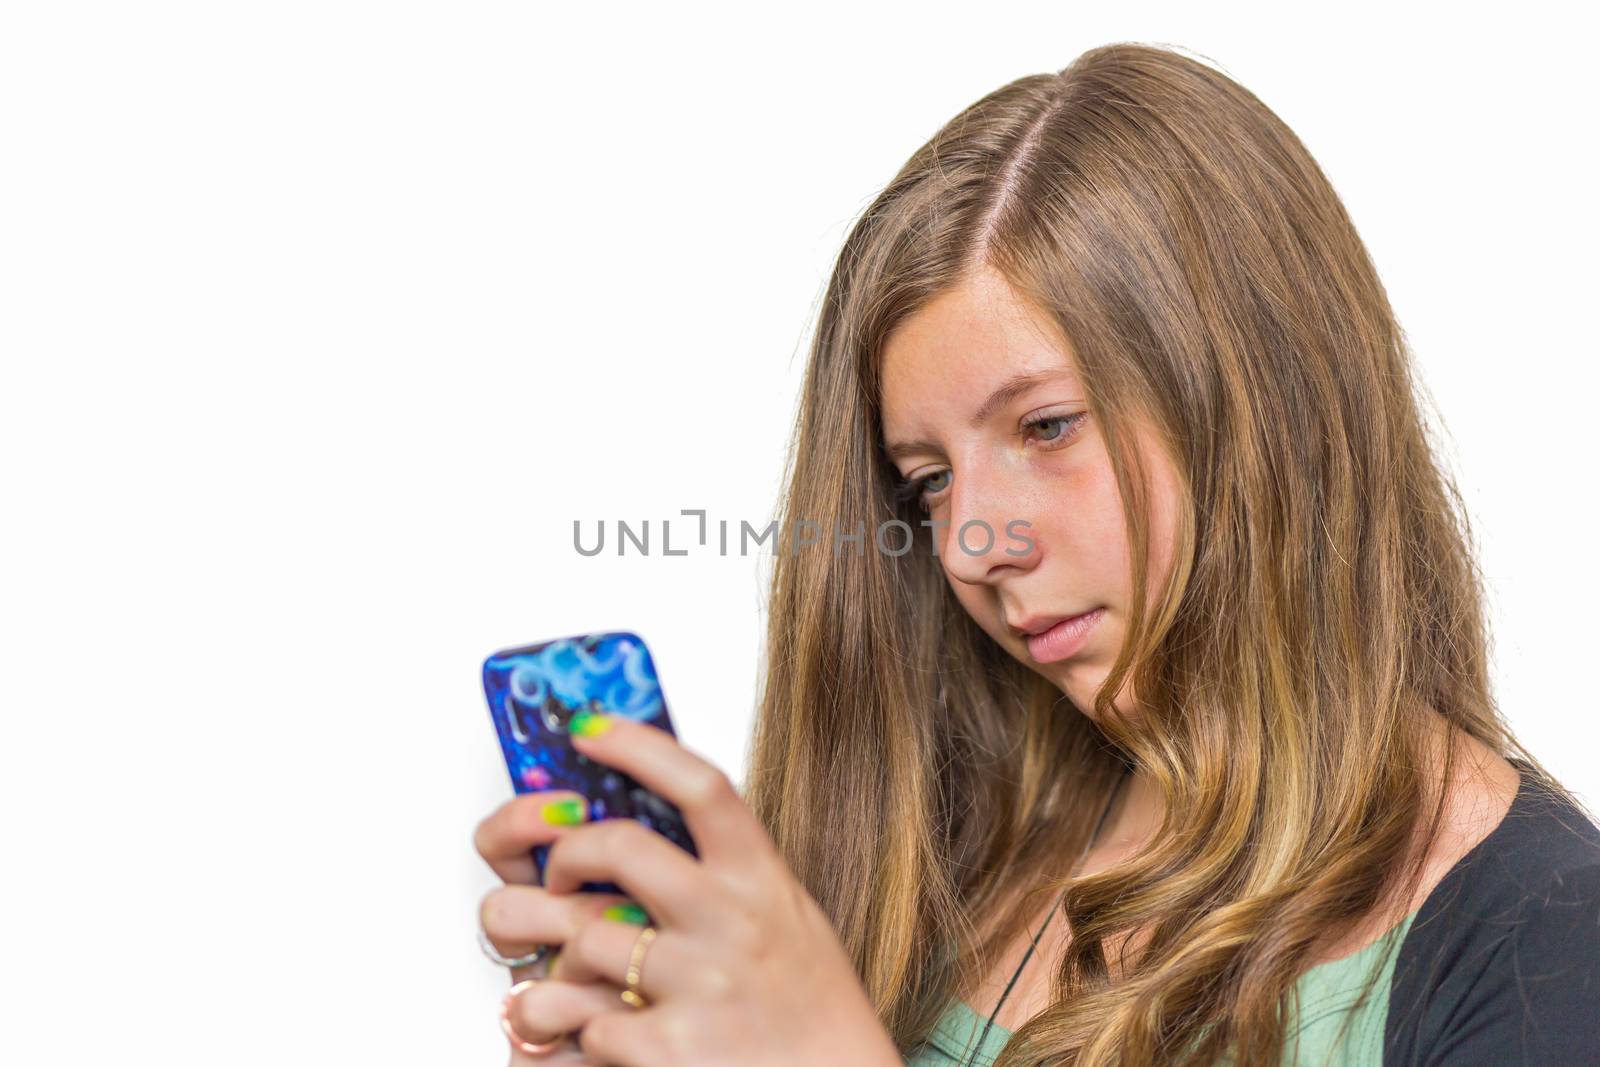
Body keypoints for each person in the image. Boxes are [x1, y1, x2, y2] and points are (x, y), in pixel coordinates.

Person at [473, 42, 1600, 1066]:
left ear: (1262, 401)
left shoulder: (1543, 937)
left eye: (1046, 426)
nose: (971, 543)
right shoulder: (946, 861)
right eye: (926, 479)